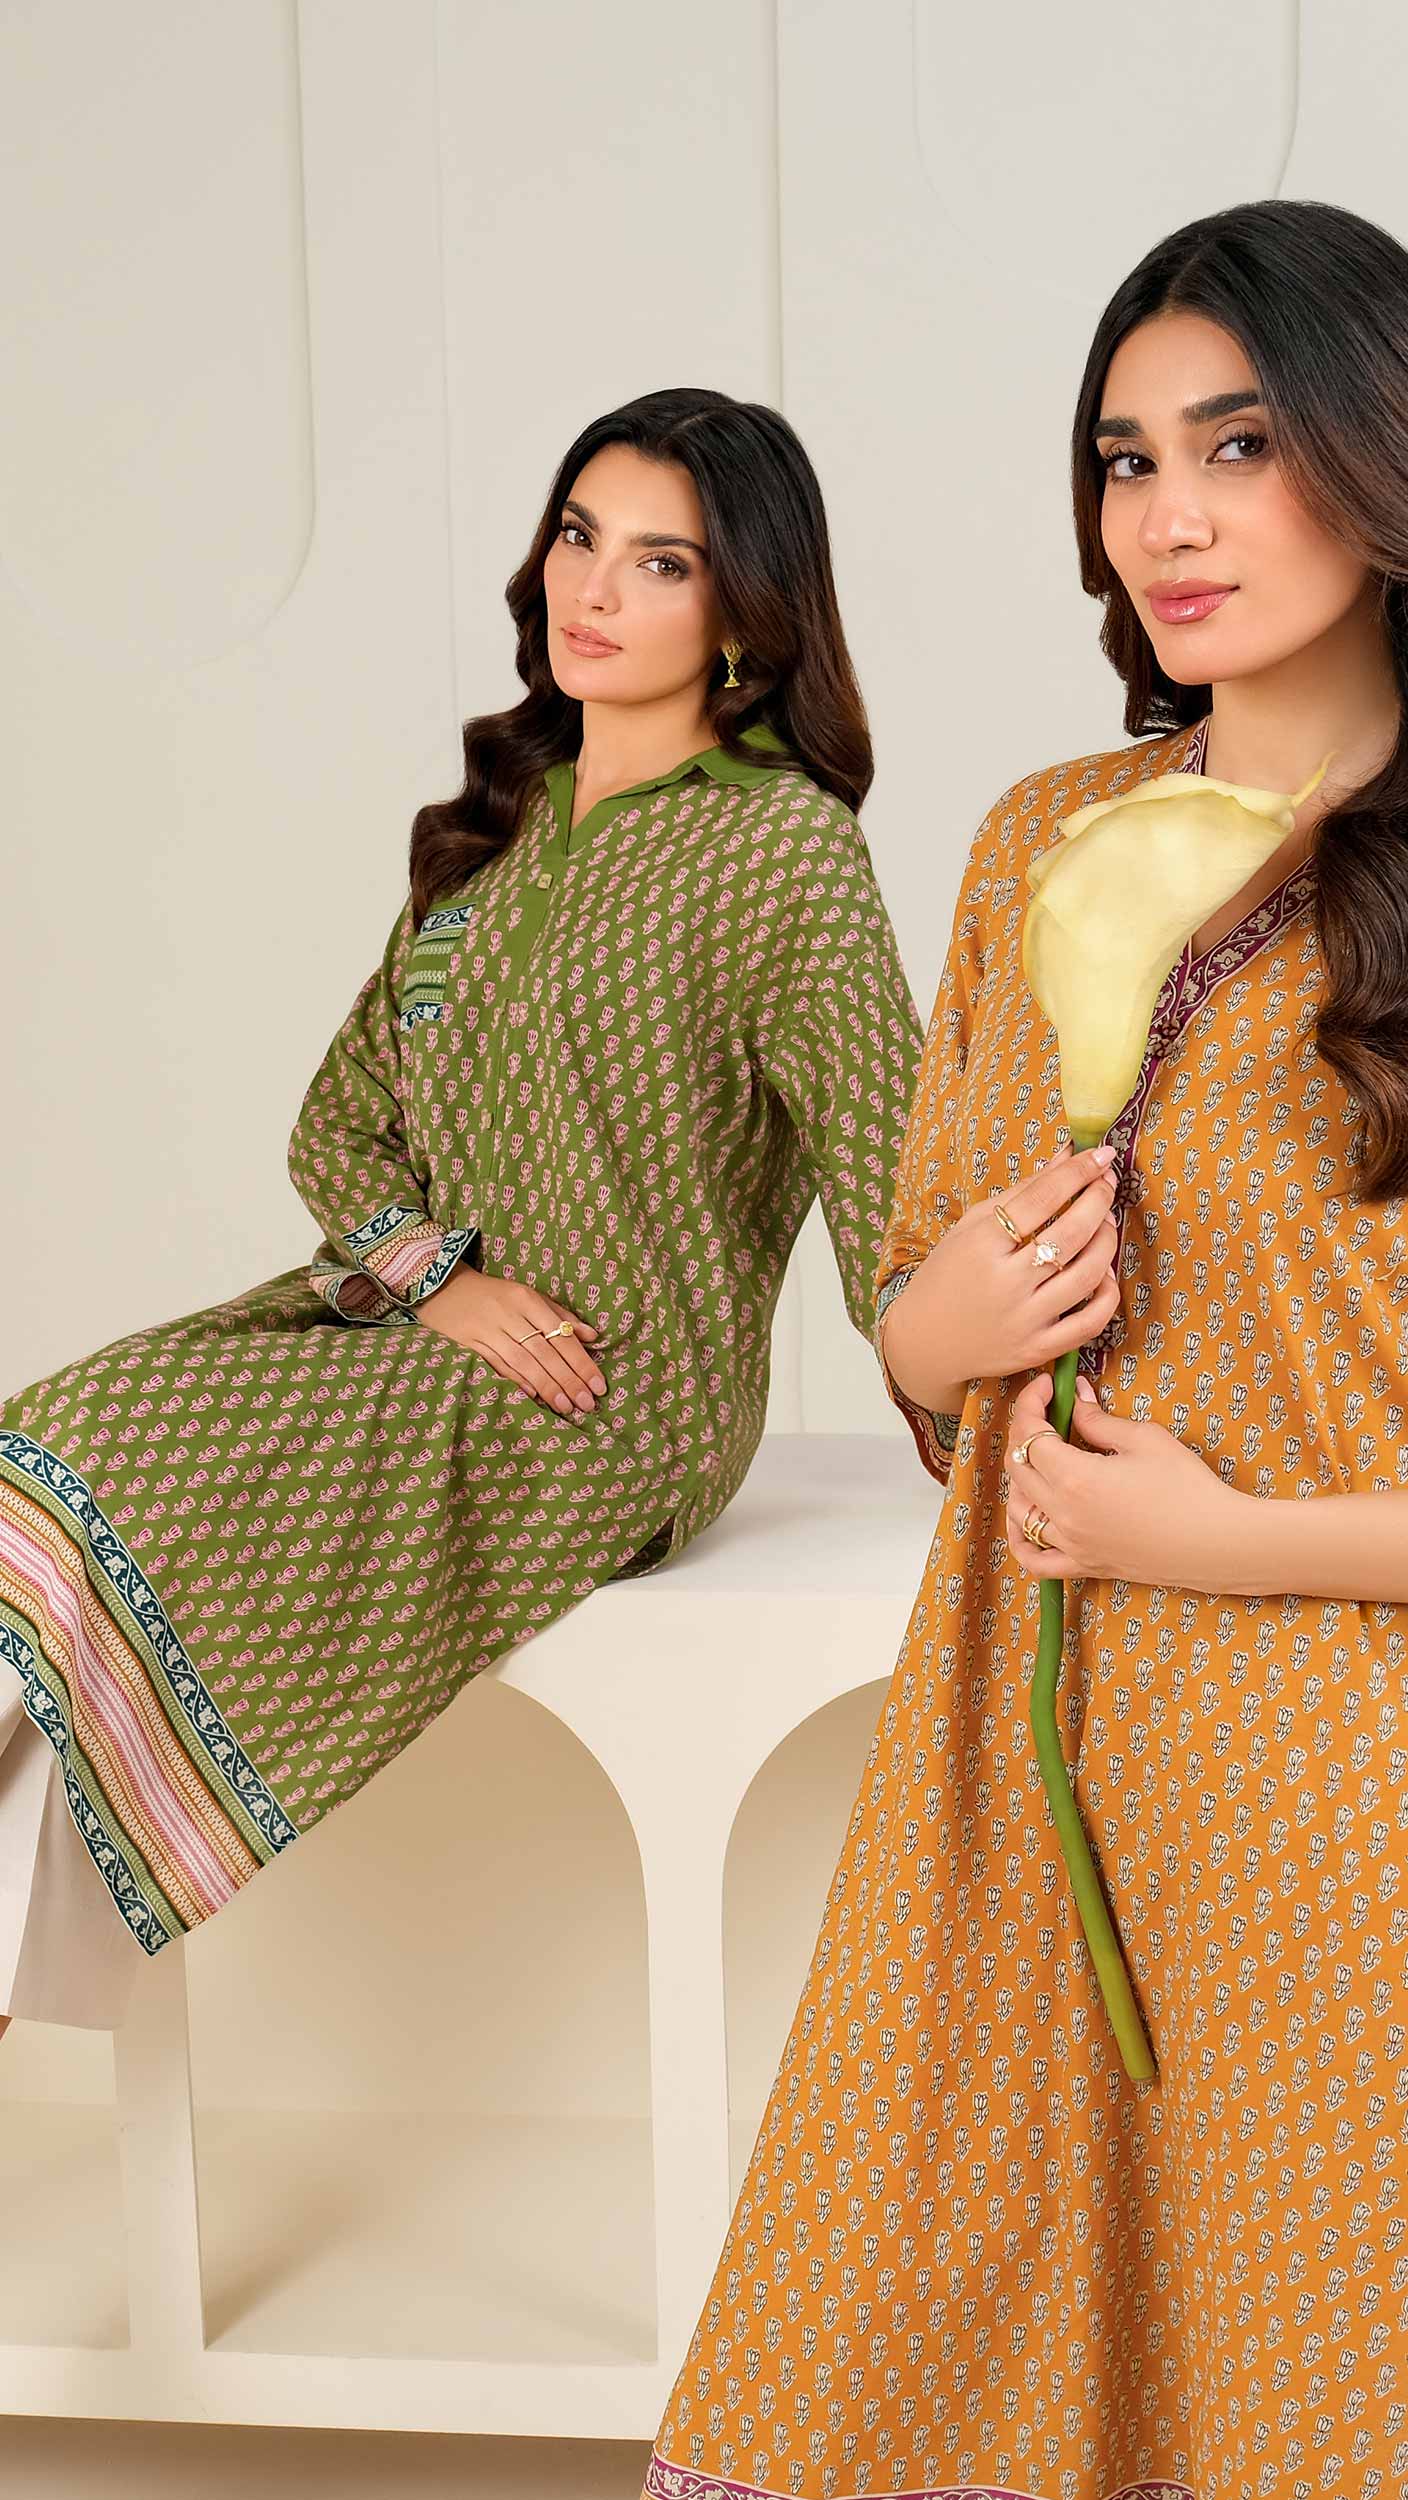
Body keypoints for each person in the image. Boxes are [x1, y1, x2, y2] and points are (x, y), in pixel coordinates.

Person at [643, 207, 1408, 2500]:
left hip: (1362, 1834)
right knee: (889, 2376)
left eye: (1237, 445)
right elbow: (927, 1328)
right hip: (1010, 1786)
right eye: (1124, 458)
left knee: (1301, 2424)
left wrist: (1230, 1536)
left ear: (1386, 460)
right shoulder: (1036, 844)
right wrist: (942, 1318)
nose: (1165, 515)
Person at [0, 388, 922, 2039]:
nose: (594, 588)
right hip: (426, 1329)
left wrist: (984, 1402)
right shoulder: (500, 832)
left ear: (743, 616)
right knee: (59, 1433)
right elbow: (338, 1125)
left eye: (660, 563)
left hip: (614, 1390)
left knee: (104, 1456)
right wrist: (441, 1284)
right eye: (579, 536)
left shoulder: (783, 854)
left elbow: (889, 1171)